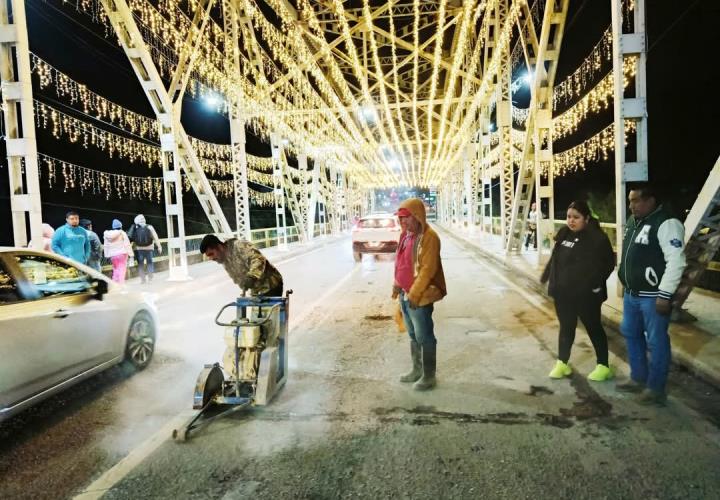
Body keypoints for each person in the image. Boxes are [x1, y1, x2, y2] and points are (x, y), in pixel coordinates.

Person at [616, 184, 686, 406]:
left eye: (636, 200)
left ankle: (656, 389)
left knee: (656, 342)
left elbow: (676, 261)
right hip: (632, 294)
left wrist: (664, 295)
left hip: (652, 296)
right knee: (631, 333)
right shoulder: (634, 221)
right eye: (630, 201)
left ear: (651, 200)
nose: (631, 205)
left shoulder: (666, 223)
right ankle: (638, 378)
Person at [541, 201, 616, 382]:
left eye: (576, 217)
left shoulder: (597, 238)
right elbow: (555, 259)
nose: (571, 221)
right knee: (566, 328)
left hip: (587, 295)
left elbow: (608, 263)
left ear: (586, 218)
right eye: (568, 217)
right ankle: (562, 363)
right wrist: (546, 277)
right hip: (563, 294)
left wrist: (595, 284)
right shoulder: (564, 233)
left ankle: (603, 365)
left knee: (593, 327)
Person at [392, 198, 447, 391]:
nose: (402, 222)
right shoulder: (405, 235)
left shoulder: (429, 237)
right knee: (413, 335)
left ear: (417, 216)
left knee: (425, 336)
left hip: (420, 296)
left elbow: (427, 269)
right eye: (400, 218)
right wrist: (397, 285)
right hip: (406, 295)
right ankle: (416, 370)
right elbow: (401, 262)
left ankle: (429, 376)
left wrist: (414, 293)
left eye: (406, 218)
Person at [200, 234, 283, 296]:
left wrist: (251, 277)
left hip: (271, 284)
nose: (211, 258)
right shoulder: (225, 260)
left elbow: (258, 260)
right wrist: (243, 285)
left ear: (219, 247)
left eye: (211, 254)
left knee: (269, 318)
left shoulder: (240, 245)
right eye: (208, 256)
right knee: (256, 318)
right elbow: (239, 279)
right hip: (257, 291)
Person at [128, 214, 162, 284]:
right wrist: (159, 246)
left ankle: (143, 279)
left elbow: (132, 239)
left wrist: (131, 249)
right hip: (149, 248)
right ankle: (150, 278)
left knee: (140, 264)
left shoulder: (135, 227)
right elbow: (155, 237)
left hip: (139, 249)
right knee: (149, 263)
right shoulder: (150, 227)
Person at [103, 219, 133, 283]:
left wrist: (106, 256)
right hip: (122, 254)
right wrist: (131, 254)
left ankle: (115, 283)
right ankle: (121, 284)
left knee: (116, 269)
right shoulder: (122, 233)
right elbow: (127, 244)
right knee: (122, 269)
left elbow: (106, 246)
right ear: (120, 226)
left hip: (113, 255)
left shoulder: (107, 235)